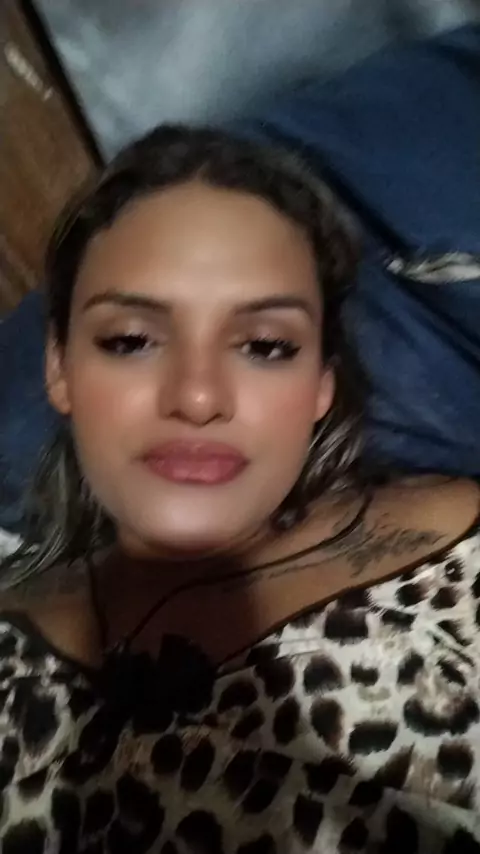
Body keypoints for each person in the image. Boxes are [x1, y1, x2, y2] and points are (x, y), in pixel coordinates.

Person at [0, 125, 479, 854]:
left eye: (264, 346)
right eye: (130, 340)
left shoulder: (454, 548)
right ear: (60, 369)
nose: (198, 397)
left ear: (320, 385)